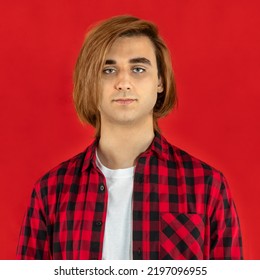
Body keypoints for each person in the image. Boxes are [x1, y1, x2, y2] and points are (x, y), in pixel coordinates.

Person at [17, 15, 243, 260]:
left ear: (160, 82)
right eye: (108, 70)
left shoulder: (206, 185)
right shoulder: (51, 191)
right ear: (89, 82)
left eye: (138, 69)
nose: (123, 82)